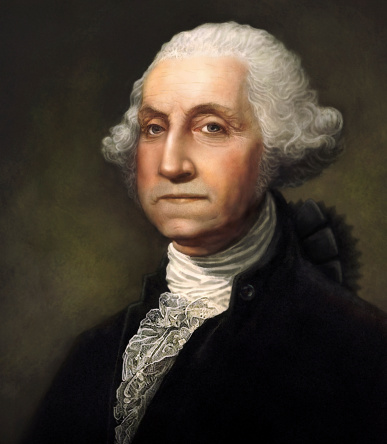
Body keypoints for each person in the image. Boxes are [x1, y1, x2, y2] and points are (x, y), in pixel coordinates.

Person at [23, 22, 386, 444]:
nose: (172, 165)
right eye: (155, 128)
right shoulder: (95, 354)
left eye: (211, 126)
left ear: (275, 146)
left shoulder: (358, 350)